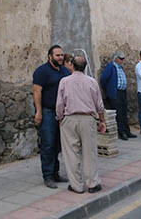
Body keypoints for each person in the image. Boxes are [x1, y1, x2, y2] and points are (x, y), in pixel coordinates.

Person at [56, 55, 106, 194]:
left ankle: (76, 185)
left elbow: (59, 104)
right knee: (90, 152)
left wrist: (60, 119)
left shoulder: (64, 81)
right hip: (87, 119)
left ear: (72, 65)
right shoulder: (92, 82)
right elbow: (99, 105)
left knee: (71, 153)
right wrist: (102, 121)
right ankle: (92, 184)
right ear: (85, 67)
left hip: (69, 118)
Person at [33, 45, 71, 188]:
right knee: (48, 144)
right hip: (48, 112)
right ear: (50, 56)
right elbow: (37, 92)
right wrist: (39, 112)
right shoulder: (42, 71)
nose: (60, 58)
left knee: (57, 144)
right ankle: (48, 176)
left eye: (62, 55)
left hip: (62, 114)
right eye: (57, 55)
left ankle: (55, 173)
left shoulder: (65, 71)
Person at [100, 51, 137, 141]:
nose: (122, 60)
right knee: (119, 113)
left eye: (123, 58)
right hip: (115, 92)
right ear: (116, 58)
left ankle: (127, 131)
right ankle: (121, 132)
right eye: (121, 58)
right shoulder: (111, 67)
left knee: (124, 112)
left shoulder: (120, 67)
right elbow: (103, 79)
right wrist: (109, 88)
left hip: (122, 92)